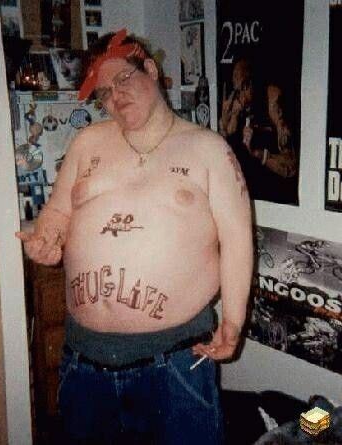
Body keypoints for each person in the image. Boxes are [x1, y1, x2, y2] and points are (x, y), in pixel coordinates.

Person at [16, 29, 253, 444]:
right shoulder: (86, 142)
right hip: (84, 363)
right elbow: (57, 212)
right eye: (104, 93)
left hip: (174, 364)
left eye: (123, 79)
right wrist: (46, 239)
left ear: (150, 70)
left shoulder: (209, 148)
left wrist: (233, 320)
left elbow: (237, 239)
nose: (115, 97)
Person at [219, 58, 298, 203]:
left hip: (278, 200)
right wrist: (224, 126)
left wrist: (259, 154)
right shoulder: (237, 106)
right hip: (248, 199)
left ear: (251, 83)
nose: (241, 97)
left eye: (244, 87)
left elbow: (291, 167)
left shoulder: (273, 101)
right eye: (237, 90)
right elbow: (223, 156)